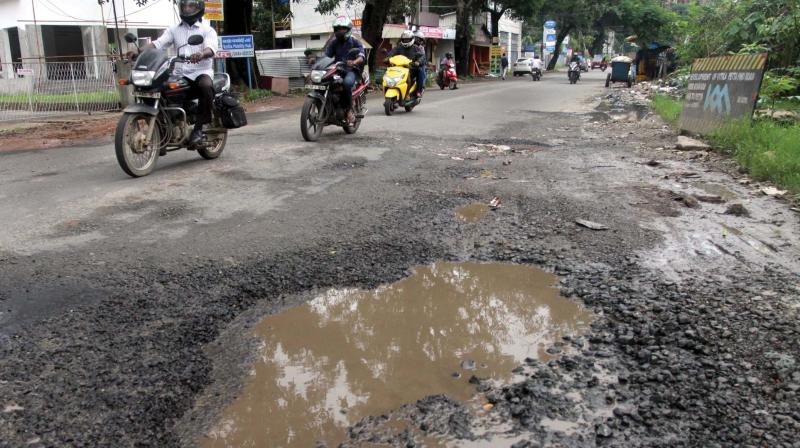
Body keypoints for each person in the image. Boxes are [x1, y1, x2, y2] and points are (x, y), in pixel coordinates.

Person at [129, 0, 218, 146]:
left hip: (200, 71)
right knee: (156, 88)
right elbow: (158, 44)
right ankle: (165, 130)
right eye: (184, 6)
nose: (187, 9)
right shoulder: (174, 29)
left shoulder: (207, 30)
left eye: (191, 6)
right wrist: (139, 52)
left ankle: (198, 128)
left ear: (199, 9)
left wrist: (202, 54)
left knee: (206, 86)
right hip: (179, 73)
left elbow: (211, 48)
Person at [323, 16, 366, 123]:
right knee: (325, 82)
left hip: (351, 70)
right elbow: (327, 57)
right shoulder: (333, 43)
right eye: (337, 29)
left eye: (342, 28)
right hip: (337, 70)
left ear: (348, 29)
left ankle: (349, 110)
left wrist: (354, 62)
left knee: (347, 83)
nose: (339, 31)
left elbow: (361, 56)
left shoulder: (355, 42)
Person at [387, 30, 424, 97]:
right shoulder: (399, 47)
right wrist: (387, 58)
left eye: (407, 39)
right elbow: (392, 53)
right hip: (399, 68)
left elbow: (422, 56)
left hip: (411, 68)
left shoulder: (416, 48)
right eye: (404, 39)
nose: (406, 41)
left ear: (412, 39)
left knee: (420, 72)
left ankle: (418, 91)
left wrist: (418, 62)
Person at [413, 30, 427, 96]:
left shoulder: (421, 48)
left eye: (418, 39)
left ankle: (419, 90)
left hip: (419, 63)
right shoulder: (407, 46)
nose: (416, 40)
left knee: (421, 73)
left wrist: (418, 62)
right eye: (415, 38)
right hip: (409, 63)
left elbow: (422, 57)